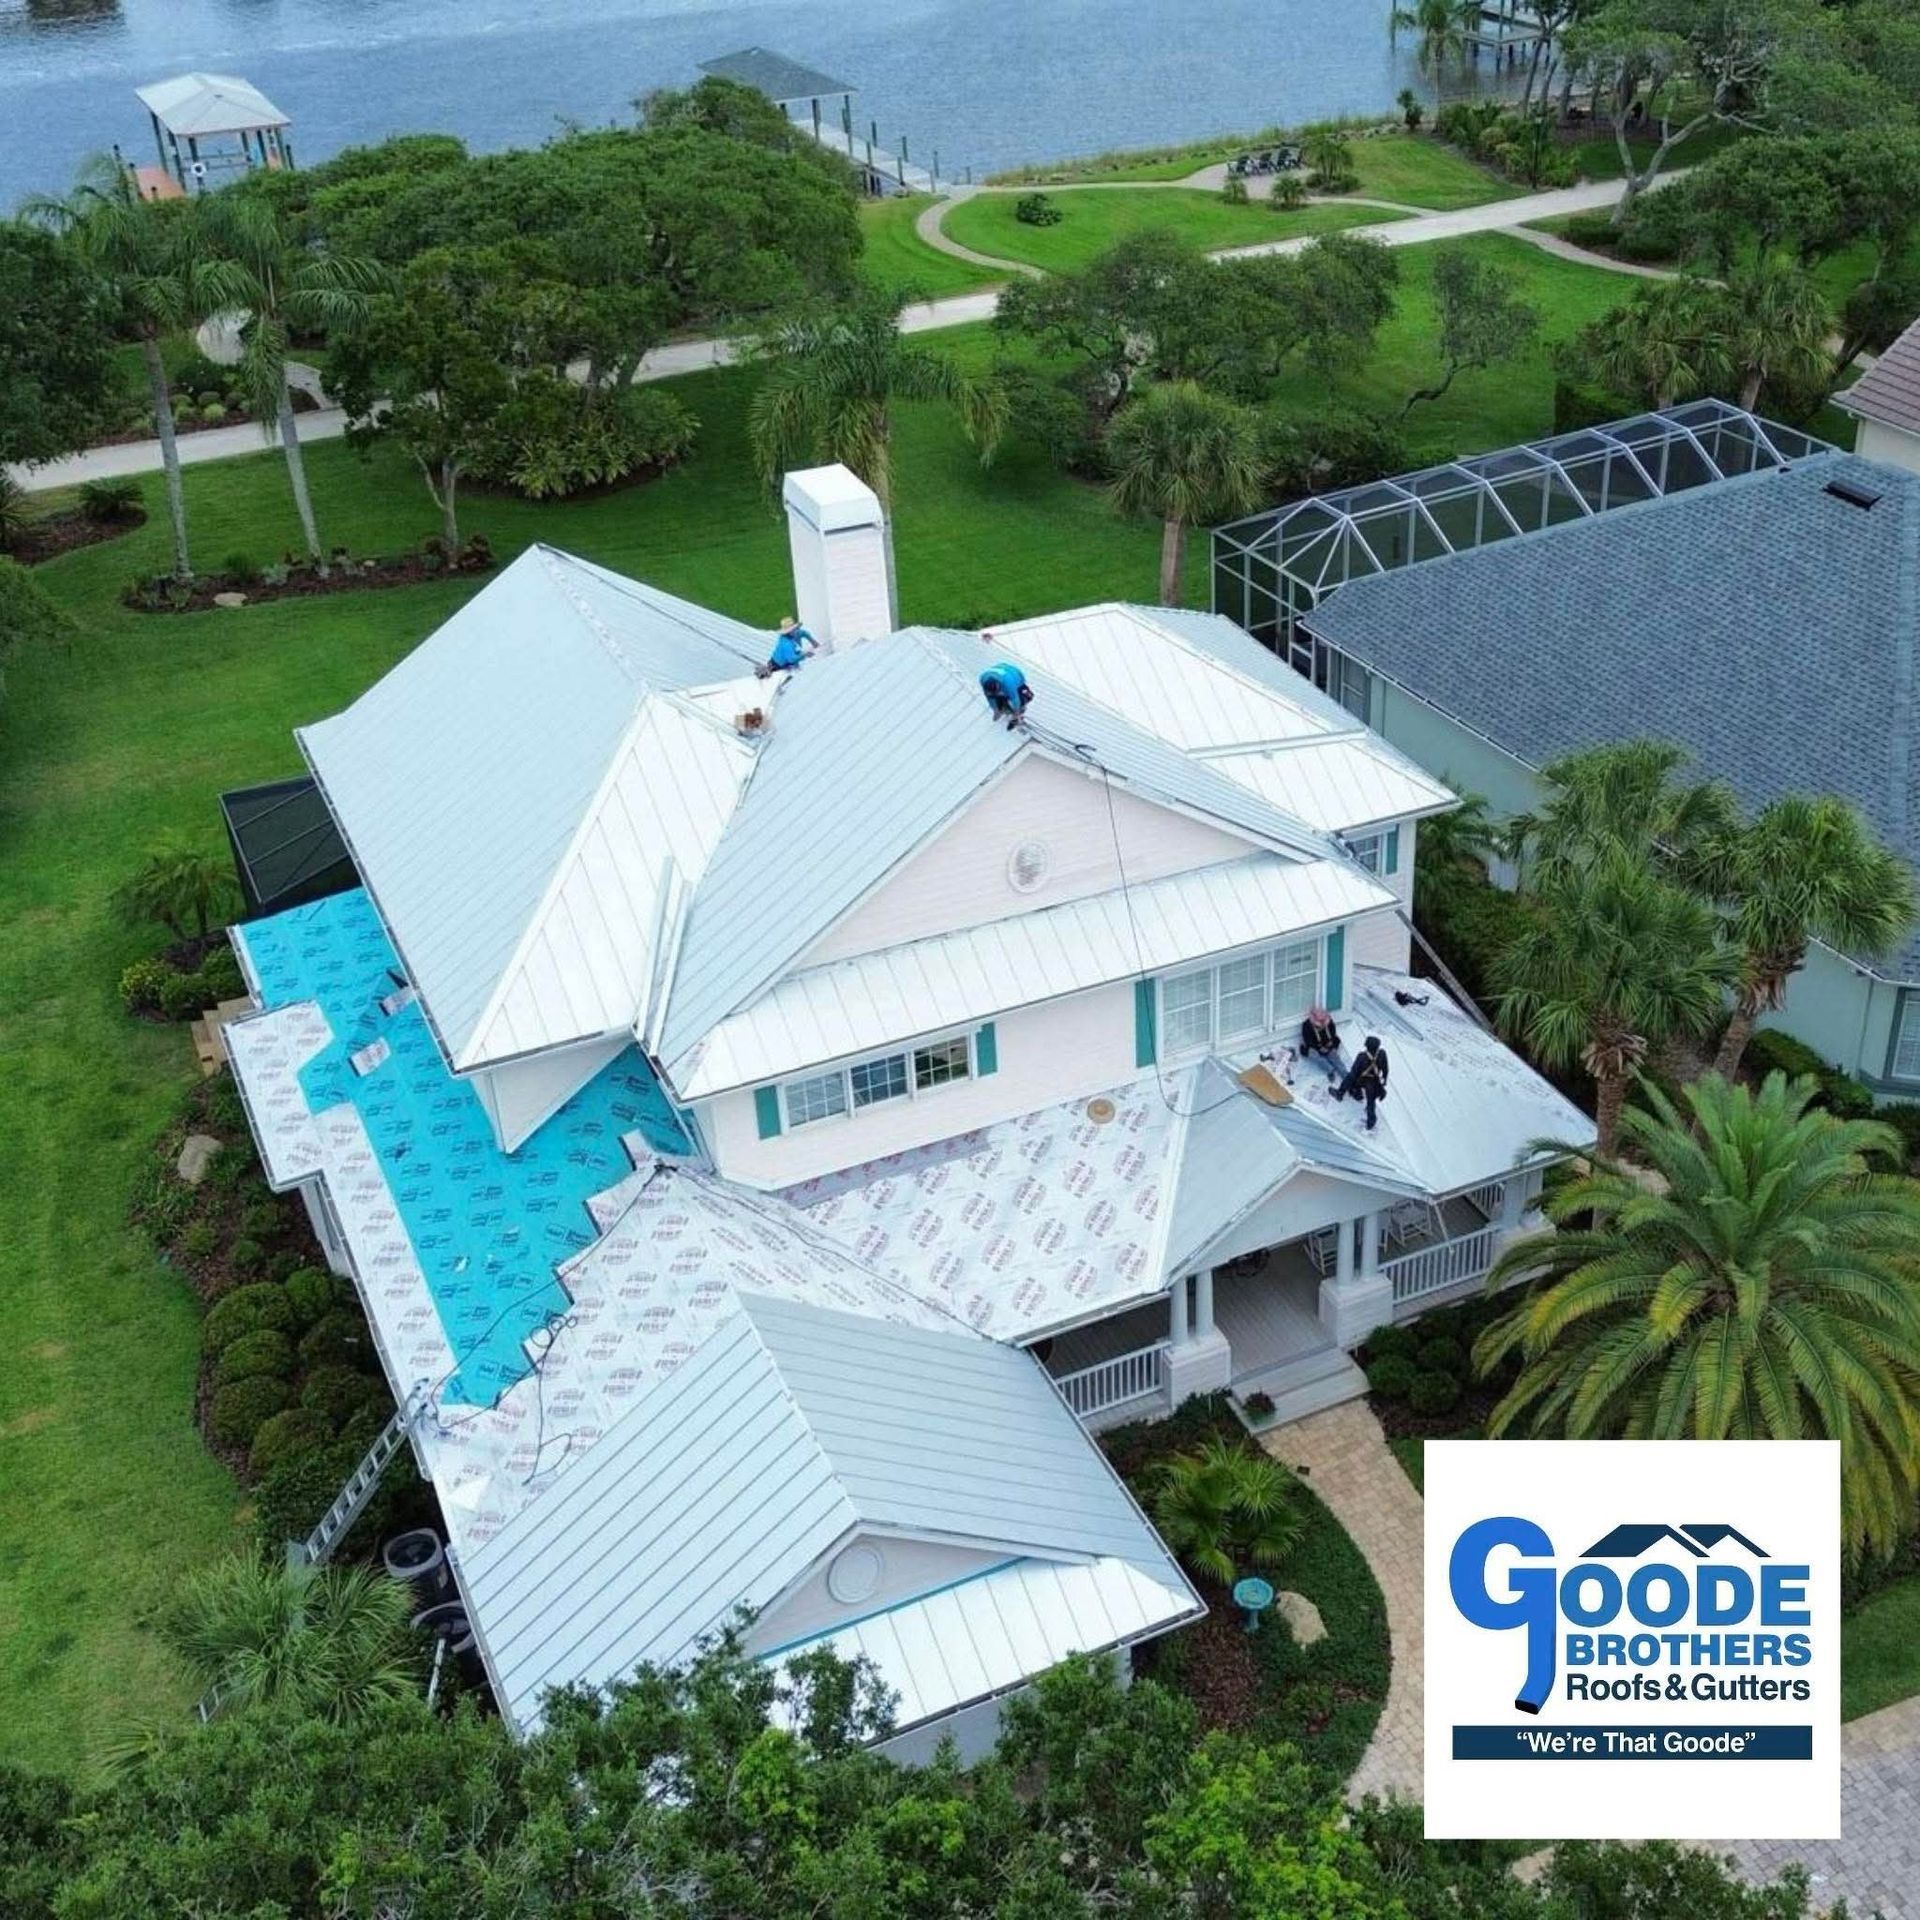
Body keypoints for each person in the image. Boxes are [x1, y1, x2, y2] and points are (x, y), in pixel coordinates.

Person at [1336, 1034, 1389, 1130]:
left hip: (1362, 1080)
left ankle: (1340, 1093)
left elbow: (1354, 1071)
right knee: (1371, 1101)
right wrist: (1384, 1080)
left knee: (1350, 1078)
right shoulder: (1382, 1054)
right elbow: (1385, 1069)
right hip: (1375, 1082)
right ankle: (1371, 1121)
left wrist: (1351, 1083)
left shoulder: (1362, 1057)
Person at [979, 660, 1033, 730]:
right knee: (998, 700)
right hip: (1001, 668)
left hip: (1015, 675)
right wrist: (996, 710)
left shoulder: (1008, 684)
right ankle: (1005, 710)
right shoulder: (982, 679)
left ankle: (1020, 712)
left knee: (1024, 698)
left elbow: (1015, 700)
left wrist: (1017, 714)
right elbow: (989, 698)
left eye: (997, 692)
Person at [1300, 1005, 1340, 1074]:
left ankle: (1346, 1075)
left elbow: (1333, 1034)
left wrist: (1330, 1044)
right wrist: (1319, 1047)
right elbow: (1308, 1041)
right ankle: (1330, 1070)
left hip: (1327, 1045)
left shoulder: (1329, 1023)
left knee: (1335, 1057)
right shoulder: (1306, 1026)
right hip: (1314, 1047)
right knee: (1316, 1056)